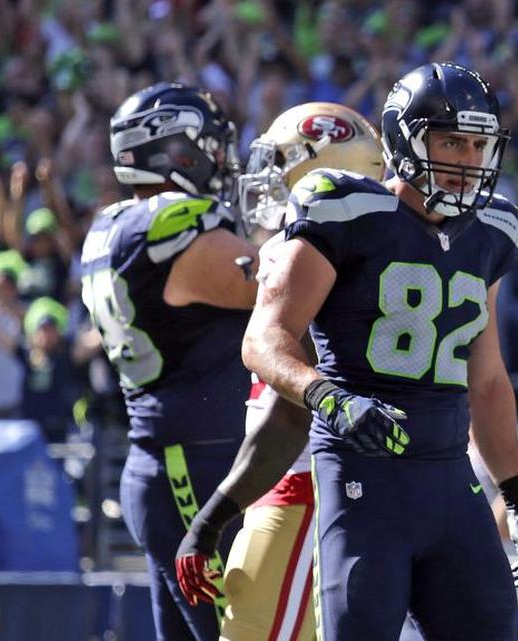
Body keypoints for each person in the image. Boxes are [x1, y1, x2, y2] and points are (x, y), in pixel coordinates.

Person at [241, 62, 518, 641]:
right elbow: (263, 339)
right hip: (362, 473)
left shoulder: (494, 229)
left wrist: (516, 497)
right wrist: (330, 398)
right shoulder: (345, 211)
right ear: (406, 141)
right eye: (450, 141)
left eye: (478, 144)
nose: (467, 159)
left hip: (447, 476)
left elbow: (485, 381)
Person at [174, 102, 385, 641]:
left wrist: (210, 518)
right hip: (330, 486)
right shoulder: (380, 250)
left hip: (304, 488)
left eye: (279, 166)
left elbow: (290, 415)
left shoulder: (312, 253)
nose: (265, 182)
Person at [79, 82, 258, 641]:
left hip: (166, 458)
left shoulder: (112, 224)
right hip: (196, 468)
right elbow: (281, 287)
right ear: (177, 151)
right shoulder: (174, 226)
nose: (222, 161)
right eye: (211, 146)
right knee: (244, 633)